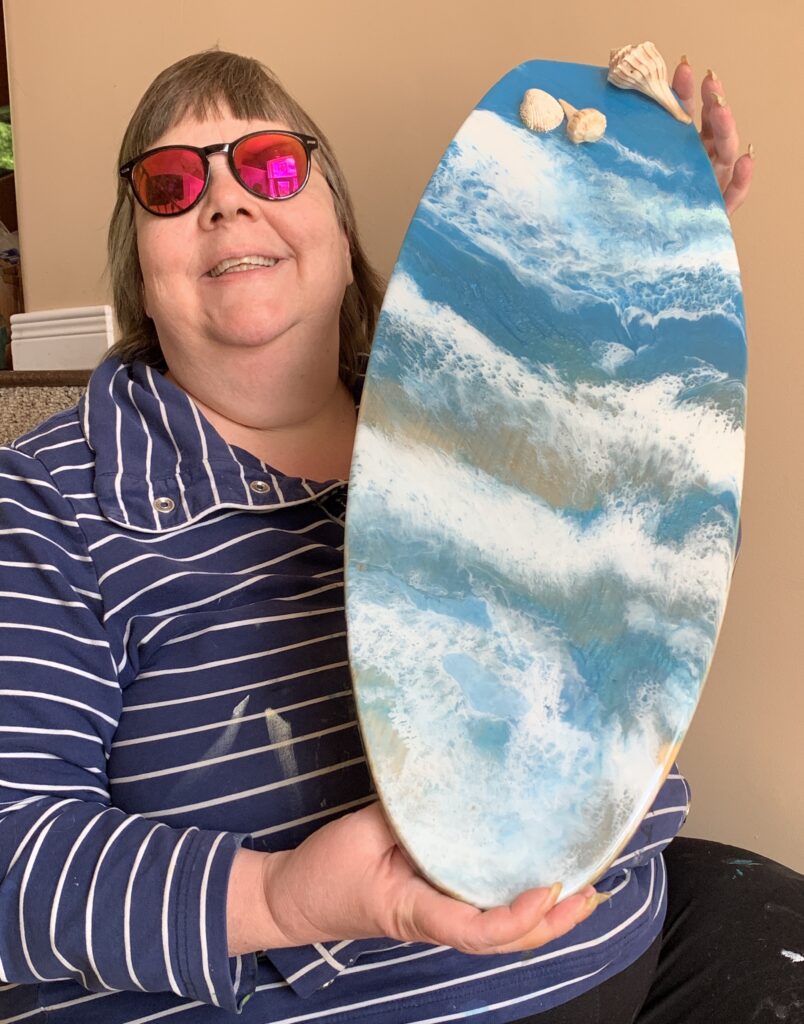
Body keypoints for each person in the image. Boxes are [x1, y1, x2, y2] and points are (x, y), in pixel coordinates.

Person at [0, 48, 799, 1024]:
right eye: (171, 185)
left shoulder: (483, 407)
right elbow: (12, 856)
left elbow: (653, 607)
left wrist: (640, 293)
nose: (226, 200)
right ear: (135, 261)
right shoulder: (50, 502)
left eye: (271, 166)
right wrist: (276, 897)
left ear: (340, 230)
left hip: (630, 944)